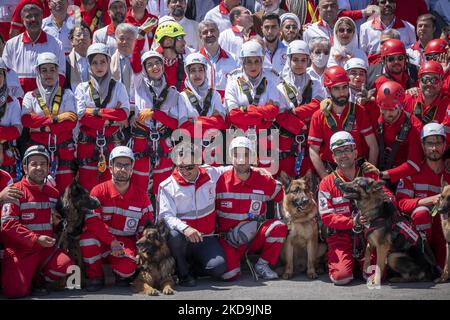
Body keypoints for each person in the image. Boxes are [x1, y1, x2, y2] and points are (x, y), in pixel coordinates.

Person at [1, 145, 74, 298]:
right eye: (34, 164)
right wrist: (35, 238)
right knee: (15, 292)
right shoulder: (15, 190)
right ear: (25, 167)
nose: (39, 167)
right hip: (21, 251)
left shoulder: (53, 193)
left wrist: (58, 223)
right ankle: (26, 279)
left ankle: (38, 280)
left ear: (49, 167)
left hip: (45, 250)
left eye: (43, 163)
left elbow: (56, 222)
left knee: (66, 266)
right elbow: (8, 225)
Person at [79, 146, 154, 292]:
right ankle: (96, 276)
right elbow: (92, 222)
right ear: (111, 167)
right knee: (87, 239)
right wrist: (111, 241)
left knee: (126, 269)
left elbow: (146, 228)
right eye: (118, 164)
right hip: (103, 241)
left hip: (126, 243)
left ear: (132, 168)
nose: (122, 169)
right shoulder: (98, 191)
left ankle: (121, 274)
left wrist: (141, 252)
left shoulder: (142, 196)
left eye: (126, 165)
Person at [317, 131, 387, 285]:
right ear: (333, 157)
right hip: (340, 237)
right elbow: (326, 217)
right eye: (338, 152)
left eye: (347, 150)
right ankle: (345, 263)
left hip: (368, 237)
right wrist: (352, 221)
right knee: (342, 278)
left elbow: (388, 197)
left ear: (355, 152)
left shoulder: (369, 175)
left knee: (375, 277)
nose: (343, 155)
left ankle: (358, 265)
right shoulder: (326, 183)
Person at [158, 142, 229, 287]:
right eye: (180, 166)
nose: (184, 171)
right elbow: (166, 216)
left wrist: (258, 170)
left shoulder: (210, 173)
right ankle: (183, 273)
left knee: (219, 268)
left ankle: (192, 269)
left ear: (198, 163)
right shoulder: (167, 186)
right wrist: (185, 228)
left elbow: (230, 169)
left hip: (206, 237)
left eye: (189, 167)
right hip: (183, 239)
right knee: (174, 234)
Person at [216, 136, 286, 281]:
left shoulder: (264, 180)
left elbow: (284, 196)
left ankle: (262, 265)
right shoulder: (218, 180)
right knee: (229, 275)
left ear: (253, 157)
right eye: (237, 155)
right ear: (230, 157)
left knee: (279, 227)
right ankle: (232, 261)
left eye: (246, 155)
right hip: (228, 240)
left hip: (254, 237)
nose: (241, 160)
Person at [75, 43, 130, 191]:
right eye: (94, 63)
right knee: (87, 187)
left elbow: (124, 113)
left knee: (110, 186)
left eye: (103, 62)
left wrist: (94, 112)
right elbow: (81, 115)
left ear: (108, 62)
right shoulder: (82, 88)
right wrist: (111, 117)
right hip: (87, 144)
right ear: (89, 65)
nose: (99, 66)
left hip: (112, 142)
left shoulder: (119, 87)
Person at [21, 52, 77, 193]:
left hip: (63, 152)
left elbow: (71, 122)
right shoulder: (30, 96)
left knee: (66, 194)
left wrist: (41, 127)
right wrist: (56, 119)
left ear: (58, 72)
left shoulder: (67, 94)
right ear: (38, 72)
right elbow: (26, 120)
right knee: (39, 191)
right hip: (38, 153)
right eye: (44, 70)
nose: (48, 74)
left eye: (52, 69)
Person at [308, 66, 378, 179]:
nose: (342, 93)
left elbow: (373, 145)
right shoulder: (318, 116)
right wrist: (325, 178)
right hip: (331, 171)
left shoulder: (359, 111)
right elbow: (313, 150)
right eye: (336, 88)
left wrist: (369, 175)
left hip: (358, 171)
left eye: (345, 87)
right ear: (328, 90)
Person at [396, 123, 448, 269]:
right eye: (429, 143)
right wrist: (429, 200)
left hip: (445, 226)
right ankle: (424, 260)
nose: (434, 148)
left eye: (438, 142)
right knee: (421, 213)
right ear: (423, 145)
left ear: (445, 144)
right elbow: (401, 203)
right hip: (422, 231)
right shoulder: (412, 171)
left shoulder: (449, 170)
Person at [224, 40, 281, 168]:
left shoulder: (270, 82)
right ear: (242, 63)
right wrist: (262, 115)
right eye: (248, 61)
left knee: (266, 177)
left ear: (262, 61)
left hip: (264, 138)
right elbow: (233, 115)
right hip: (240, 137)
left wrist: (246, 109)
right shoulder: (233, 83)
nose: (253, 66)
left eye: (257, 61)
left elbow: (273, 111)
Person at [130, 50, 180, 195]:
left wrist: (154, 113)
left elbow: (174, 124)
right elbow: (134, 65)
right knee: (139, 187)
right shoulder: (139, 86)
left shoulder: (172, 93)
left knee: (163, 188)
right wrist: (140, 37)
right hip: (141, 142)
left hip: (163, 144)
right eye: (149, 65)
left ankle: (161, 216)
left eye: (158, 63)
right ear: (144, 69)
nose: (155, 67)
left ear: (163, 66)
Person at [2, 4, 65, 93]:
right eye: (28, 16)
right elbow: (5, 74)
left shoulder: (56, 44)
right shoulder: (11, 44)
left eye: (36, 15)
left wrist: (46, 95)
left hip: (47, 98)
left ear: (42, 17)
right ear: (22, 20)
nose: (33, 19)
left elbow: (61, 75)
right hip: (18, 99)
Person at [178, 52, 227, 164]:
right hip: (190, 151)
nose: (197, 74)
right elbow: (184, 128)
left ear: (205, 72)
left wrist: (195, 121)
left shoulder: (215, 95)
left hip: (213, 150)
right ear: (187, 73)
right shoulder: (182, 96)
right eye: (193, 70)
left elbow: (220, 122)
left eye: (200, 70)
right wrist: (210, 121)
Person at [375, 81, 423, 184]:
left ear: (401, 106)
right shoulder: (380, 118)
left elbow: (414, 165)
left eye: (392, 109)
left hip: (402, 178)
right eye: (383, 109)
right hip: (380, 171)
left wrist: (383, 174)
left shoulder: (414, 126)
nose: (387, 114)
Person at [404, 61, 450, 131]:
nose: (429, 84)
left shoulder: (447, 106)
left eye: (435, 80)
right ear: (419, 82)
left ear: (441, 82)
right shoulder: (407, 98)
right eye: (425, 79)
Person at [198, 20, 239, 99]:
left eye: (212, 31)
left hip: (227, 105)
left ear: (218, 33)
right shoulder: (195, 59)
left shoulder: (233, 59)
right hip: (202, 106)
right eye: (205, 32)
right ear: (200, 37)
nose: (209, 34)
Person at [0, 62, 22, 181]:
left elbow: (17, 131)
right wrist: (4, 132)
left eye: (0, 74)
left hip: (7, 155)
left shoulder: (12, 101)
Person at [153, 20, 187, 91]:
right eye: (180, 38)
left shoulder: (184, 66)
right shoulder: (151, 66)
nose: (184, 42)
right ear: (168, 42)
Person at [64, 22, 92, 92]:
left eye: (85, 35)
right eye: (78, 35)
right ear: (71, 40)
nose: (82, 38)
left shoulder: (98, 60)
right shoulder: (65, 63)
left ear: (91, 40)